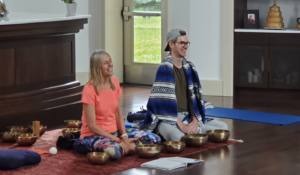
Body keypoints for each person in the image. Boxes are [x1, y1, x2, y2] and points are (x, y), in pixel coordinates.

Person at [141, 29, 228, 141]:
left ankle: (193, 133)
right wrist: (182, 127)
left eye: (187, 43)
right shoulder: (165, 68)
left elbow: (195, 100)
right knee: (178, 137)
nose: (185, 46)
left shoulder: (190, 67)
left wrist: (194, 122)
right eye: (182, 43)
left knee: (223, 127)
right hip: (169, 119)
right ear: (171, 44)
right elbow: (161, 106)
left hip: (188, 117)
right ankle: (191, 135)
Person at [79, 50, 161, 160]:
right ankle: (128, 148)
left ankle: (127, 147)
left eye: (110, 61)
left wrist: (124, 137)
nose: (110, 65)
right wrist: (118, 140)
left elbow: (118, 113)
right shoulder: (89, 90)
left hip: (115, 133)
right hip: (93, 135)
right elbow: (92, 126)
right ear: (97, 68)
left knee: (154, 139)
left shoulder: (115, 83)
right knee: (114, 151)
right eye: (105, 63)